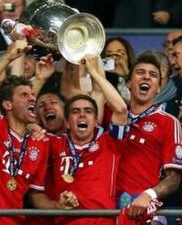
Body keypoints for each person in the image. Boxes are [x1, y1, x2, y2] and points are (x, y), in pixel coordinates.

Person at [0, 39, 72, 225]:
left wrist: (58, 206)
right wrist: (8, 58)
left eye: (32, 95)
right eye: (24, 95)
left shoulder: (39, 142)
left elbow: (36, 195)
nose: (32, 98)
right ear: (8, 104)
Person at [32, 55, 128, 225]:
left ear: (95, 120)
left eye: (88, 111)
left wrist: (94, 73)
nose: (82, 114)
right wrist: (57, 206)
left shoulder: (110, 143)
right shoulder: (54, 143)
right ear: (67, 122)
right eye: (76, 111)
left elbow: (120, 109)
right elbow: (20, 114)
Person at [116, 52, 182, 224]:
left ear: (159, 88)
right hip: (108, 207)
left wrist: (149, 194)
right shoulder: (114, 116)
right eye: (140, 72)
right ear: (129, 83)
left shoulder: (168, 122)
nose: (146, 76)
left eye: (153, 75)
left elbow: (174, 178)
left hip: (142, 209)